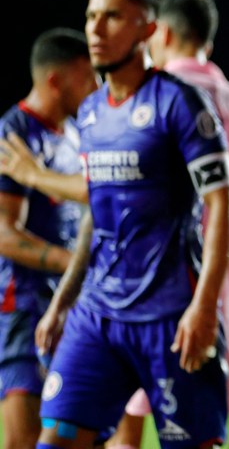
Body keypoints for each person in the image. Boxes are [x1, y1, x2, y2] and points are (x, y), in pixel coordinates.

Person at [35, 0, 229, 448]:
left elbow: (223, 202)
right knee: (58, 437)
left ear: (148, 29)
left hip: (170, 317)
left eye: (112, 16)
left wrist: (205, 308)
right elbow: (95, 215)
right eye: (90, 16)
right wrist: (64, 302)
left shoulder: (180, 102)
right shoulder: (89, 113)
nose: (96, 29)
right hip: (98, 313)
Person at [101, 0, 229, 449]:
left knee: (125, 431)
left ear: (165, 33)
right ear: (208, 44)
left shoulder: (141, 98)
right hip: (211, 299)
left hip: (138, 290)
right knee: (201, 430)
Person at [0, 29, 97, 447]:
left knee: (77, 435)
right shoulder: (15, 133)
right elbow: (3, 233)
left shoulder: (74, 135)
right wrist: (72, 262)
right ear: (56, 79)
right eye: (86, 76)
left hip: (70, 307)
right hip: (22, 307)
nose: (95, 86)